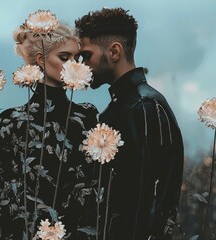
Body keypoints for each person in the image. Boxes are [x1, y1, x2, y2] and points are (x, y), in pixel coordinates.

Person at [0, 22, 99, 239]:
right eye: (64, 57)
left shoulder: (86, 117)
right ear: (40, 59)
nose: (73, 65)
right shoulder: (11, 121)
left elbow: (93, 189)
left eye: (77, 58)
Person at [75, 8, 184, 240]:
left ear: (114, 51)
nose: (81, 65)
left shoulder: (143, 107)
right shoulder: (120, 108)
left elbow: (149, 201)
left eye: (86, 55)